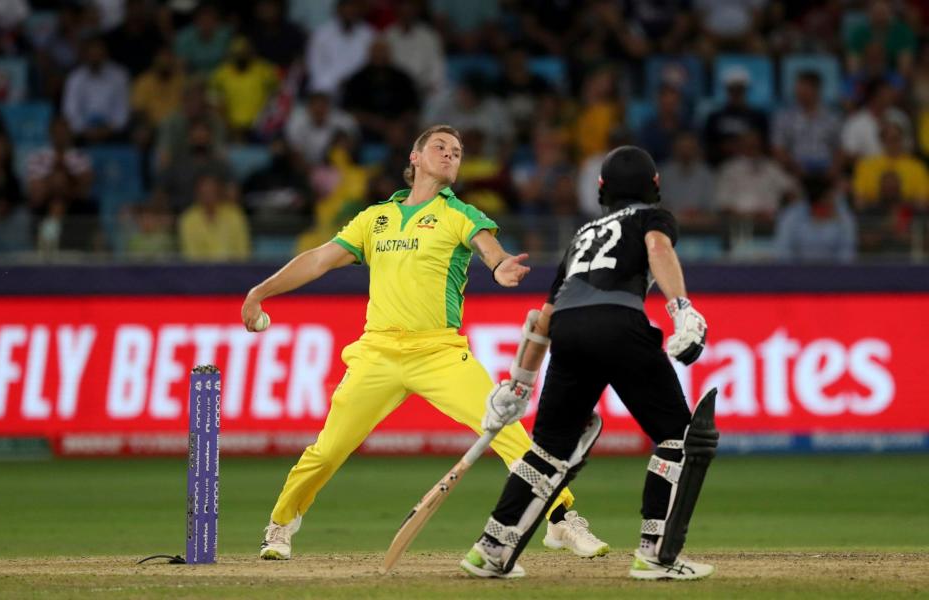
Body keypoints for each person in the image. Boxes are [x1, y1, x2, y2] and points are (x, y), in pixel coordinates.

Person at [241, 125, 608, 560]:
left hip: (439, 353)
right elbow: (319, 259)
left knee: (508, 433)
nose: (451, 154)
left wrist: (500, 266)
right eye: (440, 147)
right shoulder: (374, 219)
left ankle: (561, 520)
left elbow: (488, 248)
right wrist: (259, 292)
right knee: (327, 451)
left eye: (457, 151)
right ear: (415, 157)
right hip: (377, 353)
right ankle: (281, 525)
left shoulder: (459, 213)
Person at [460, 145, 718, 580]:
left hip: (568, 331)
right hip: (619, 323)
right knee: (679, 436)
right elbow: (657, 248)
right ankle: (656, 554)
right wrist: (680, 308)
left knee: (548, 450)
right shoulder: (651, 218)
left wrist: (518, 385)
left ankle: (491, 549)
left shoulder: (582, 235)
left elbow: (543, 317)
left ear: (602, 190)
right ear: (654, 187)